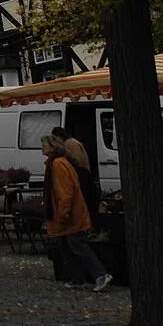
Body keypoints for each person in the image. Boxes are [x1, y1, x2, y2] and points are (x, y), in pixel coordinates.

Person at [42, 134, 110, 291]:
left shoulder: (58, 165)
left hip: (70, 215)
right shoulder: (57, 163)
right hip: (69, 214)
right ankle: (78, 278)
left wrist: (63, 215)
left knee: (77, 246)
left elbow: (65, 193)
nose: (42, 147)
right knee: (67, 246)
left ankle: (100, 274)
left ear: (53, 146)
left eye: (44, 144)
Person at [53, 122, 100, 215]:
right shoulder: (72, 142)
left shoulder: (70, 144)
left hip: (81, 179)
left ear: (59, 137)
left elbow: (77, 162)